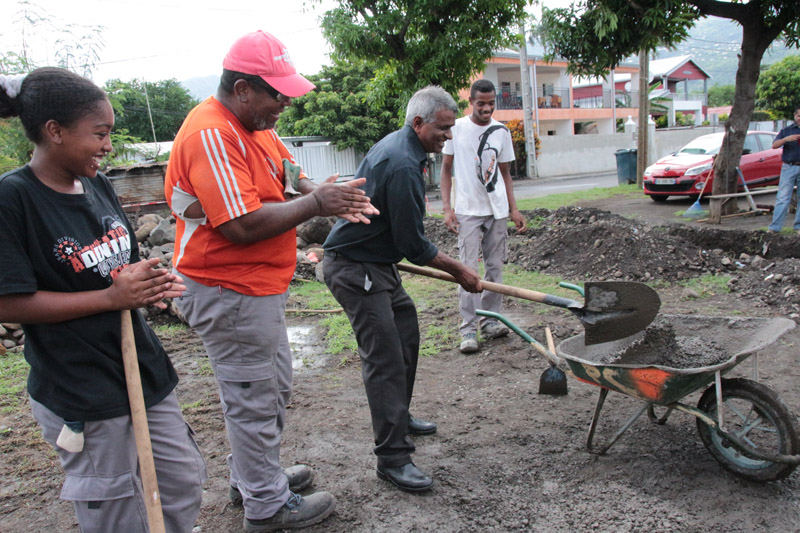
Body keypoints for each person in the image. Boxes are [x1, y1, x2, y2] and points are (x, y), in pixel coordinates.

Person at [164, 31, 375, 532]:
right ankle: (265, 506)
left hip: (252, 287)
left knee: (270, 387)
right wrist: (317, 204)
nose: (284, 103)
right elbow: (239, 227)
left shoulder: (251, 124)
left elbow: (285, 167)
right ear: (242, 88)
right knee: (254, 396)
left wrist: (315, 188)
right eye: (276, 93)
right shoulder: (212, 133)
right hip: (227, 287)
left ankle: (253, 478)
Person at [0, 68, 206, 532]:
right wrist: (111, 297)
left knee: (180, 482)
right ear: (54, 132)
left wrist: (146, 284)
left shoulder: (96, 183)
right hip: (79, 384)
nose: (108, 146)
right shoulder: (14, 199)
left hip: (140, 367)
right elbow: (8, 303)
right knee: (118, 510)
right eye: (100, 134)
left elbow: (121, 265)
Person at [322, 85, 482, 493]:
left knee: (406, 332)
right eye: (442, 130)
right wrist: (460, 270)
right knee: (386, 358)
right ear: (418, 123)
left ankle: (400, 412)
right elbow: (414, 246)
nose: (448, 137)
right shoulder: (402, 163)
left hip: (378, 264)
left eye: (450, 129)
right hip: (355, 267)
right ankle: (392, 458)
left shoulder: (407, 148)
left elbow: (401, 236)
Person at [440, 79, 527, 354]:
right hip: (467, 209)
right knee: (466, 270)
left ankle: (491, 321)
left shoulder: (501, 132)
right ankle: (468, 329)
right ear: (471, 102)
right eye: (481, 104)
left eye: (491, 104)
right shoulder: (457, 129)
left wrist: (513, 209)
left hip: (497, 210)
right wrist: (447, 208)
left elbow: (505, 174)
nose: (487, 108)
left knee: (495, 268)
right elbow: (445, 170)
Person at [768, 105, 800, 234]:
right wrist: (786, 139)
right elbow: (774, 145)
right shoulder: (787, 130)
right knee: (782, 198)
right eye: (799, 115)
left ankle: (798, 227)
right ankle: (775, 228)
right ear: (794, 116)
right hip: (789, 166)